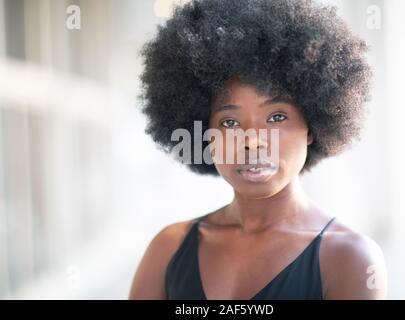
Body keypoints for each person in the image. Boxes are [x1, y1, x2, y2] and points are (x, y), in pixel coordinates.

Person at [129, 0, 387, 300]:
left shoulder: (348, 258)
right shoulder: (168, 249)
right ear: (205, 134)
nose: (252, 140)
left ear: (311, 127)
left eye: (276, 117)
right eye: (229, 121)